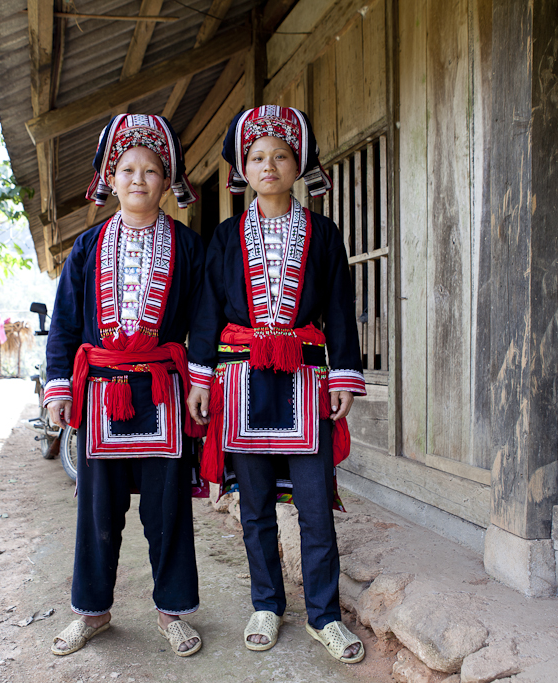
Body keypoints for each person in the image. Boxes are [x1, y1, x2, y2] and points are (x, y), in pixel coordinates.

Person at [186, 105, 367, 664]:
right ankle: (266, 603)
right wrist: (200, 379)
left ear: (298, 165)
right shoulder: (224, 237)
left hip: (305, 380)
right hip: (240, 383)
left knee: (314, 506)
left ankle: (324, 615)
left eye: (281, 156)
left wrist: (343, 375)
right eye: (258, 157)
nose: (269, 165)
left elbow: (339, 308)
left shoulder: (324, 233)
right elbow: (208, 311)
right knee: (256, 503)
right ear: (244, 169)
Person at [44, 113, 205, 658]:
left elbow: (203, 321)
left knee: (167, 511)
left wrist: (200, 381)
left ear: (167, 181)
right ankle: (92, 612)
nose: (139, 179)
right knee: (98, 510)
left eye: (152, 170)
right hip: (100, 395)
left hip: (162, 391)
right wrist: (60, 389)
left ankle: (173, 612)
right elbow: (65, 324)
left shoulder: (188, 248)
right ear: (110, 178)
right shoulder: (87, 249)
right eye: (128, 169)